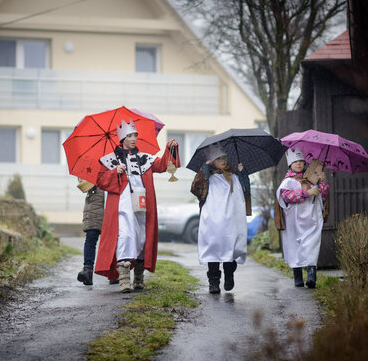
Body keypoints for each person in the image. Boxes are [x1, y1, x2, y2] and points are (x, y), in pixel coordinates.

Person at [95, 119, 180, 292]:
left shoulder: (144, 158)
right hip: (121, 205)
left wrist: (171, 149)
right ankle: (124, 280)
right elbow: (100, 181)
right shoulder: (110, 160)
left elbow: (163, 165)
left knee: (142, 238)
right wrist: (114, 172)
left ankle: (139, 278)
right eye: (130, 135)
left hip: (142, 203)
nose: (134, 138)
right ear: (122, 138)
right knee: (125, 235)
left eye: (135, 135)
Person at [190, 144, 251, 294]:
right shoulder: (207, 178)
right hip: (213, 220)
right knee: (214, 248)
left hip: (232, 219)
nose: (223, 161)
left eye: (224, 158)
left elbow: (246, 191)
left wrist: (243, 173)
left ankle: (229, 274)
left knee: (230, 247)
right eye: (218, 158)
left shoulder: (234, 176)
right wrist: (205, 167)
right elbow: (196, 189)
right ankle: (214, 281)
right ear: (212, 160)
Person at [276, 147, 329, 289]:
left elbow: (323, 196)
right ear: (290, 165)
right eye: (295, 162)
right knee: (295, 248)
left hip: (311, 219)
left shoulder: (313, 179)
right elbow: (287, 197)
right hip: (294, 221)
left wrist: (322, 183)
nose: (298, 164)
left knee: (311, 245)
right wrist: (307, 193)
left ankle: (312, 276)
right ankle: (297, 277)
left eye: (301, 161)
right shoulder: (288, 182)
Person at [76, 180, 113, 286]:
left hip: (113, 199)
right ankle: (87, 271)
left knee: (112, 240)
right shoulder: (90, 165)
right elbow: (83, 185)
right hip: (95, 204)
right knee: (91, 236)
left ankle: (113, 272)